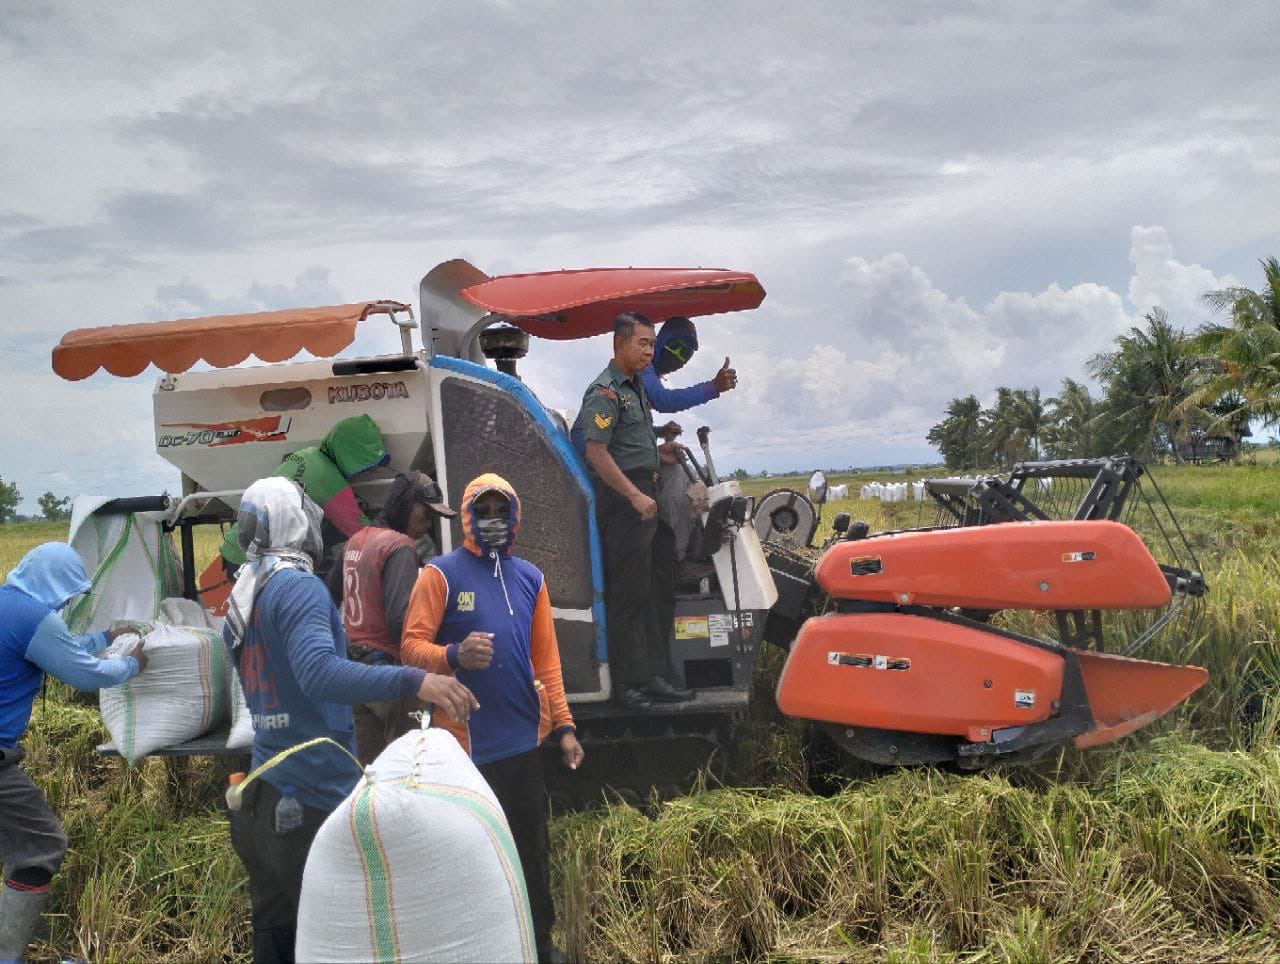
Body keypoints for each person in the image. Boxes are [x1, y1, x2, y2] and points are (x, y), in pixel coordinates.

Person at [223, 476, 476, 964]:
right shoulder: (295, 589)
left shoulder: (246, 592)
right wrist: (414, 681)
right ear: (295, 523)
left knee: (276, 935)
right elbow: (317, 673)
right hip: (309, 801)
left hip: (263, 794)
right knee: (340, 945)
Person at [401, 473, 583, 964]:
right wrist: (455, 655)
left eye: (502, 511)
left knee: (530, 854)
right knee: (470, 857)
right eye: (484, 511)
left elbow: (546, 661)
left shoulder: (531, 579)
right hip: (463, 748)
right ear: (467, 516)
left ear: (515, 515)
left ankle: (538, 948)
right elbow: (411, 651)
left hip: (523, 741)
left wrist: (563, 727)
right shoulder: (440, 575)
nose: (493, 520)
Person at [0, 543, 146, 962]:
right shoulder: (33, 616)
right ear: (54, 585)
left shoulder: (9, 605)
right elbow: (84, 674)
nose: (66, 602)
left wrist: (105, 638)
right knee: (41, 844)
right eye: (67, 593)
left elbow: (58, 648)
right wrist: (132, 664)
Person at [570, 311, 693, 710]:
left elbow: (628, 446)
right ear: (618, 344)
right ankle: (628, 684)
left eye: (652, 344)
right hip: (626, 502)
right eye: (642, 343)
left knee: (658, 585)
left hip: (647, 493)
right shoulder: (604, 392)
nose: (649, 351)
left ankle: (656, 674)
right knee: (629, 594)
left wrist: (660, 454)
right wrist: (634, 496)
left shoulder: (636, 388)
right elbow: (597, 452)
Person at [324, 470, 457, 765]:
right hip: (389, 678)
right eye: (426, 513)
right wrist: (440, 654)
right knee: (403, 769)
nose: (427, 524)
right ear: (407, 505)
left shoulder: (356, 540)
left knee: (367, 772)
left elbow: (329, 595)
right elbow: (401, 620)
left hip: (353, 673)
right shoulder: (401, 547)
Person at [216, 413, 391, 577]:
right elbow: (359, 530)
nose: (369, 471)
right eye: (366, 464)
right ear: (353, 454)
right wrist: (397, 542)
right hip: (256, 559)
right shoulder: (326, 478)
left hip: (239, 546)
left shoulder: (307, 455)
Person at [643, 316, 738, 566]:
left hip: (630, 456)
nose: (681, 361)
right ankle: (676, 558)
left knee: (693, 478)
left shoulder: (645, 374)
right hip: (612, 466)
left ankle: (699, 547)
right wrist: (713, 388)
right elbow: (664, 400)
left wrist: (658, 431)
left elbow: (629, 426)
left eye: (687, 355)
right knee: (677, 483)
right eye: (679, 349)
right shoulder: (641, 368)